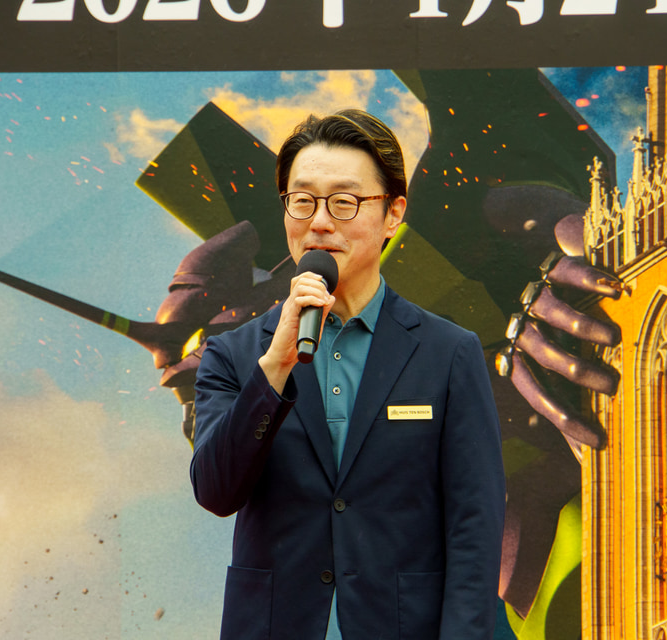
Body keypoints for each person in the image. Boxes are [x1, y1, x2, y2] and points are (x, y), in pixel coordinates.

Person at [190, 109, 506, 639]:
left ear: (392, 213)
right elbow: (216, 491)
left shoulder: (449, 352)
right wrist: (275, 367)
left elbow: (474, 525)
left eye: (344, 201)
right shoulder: (232, 356)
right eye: (302, 200)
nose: (319, 221)